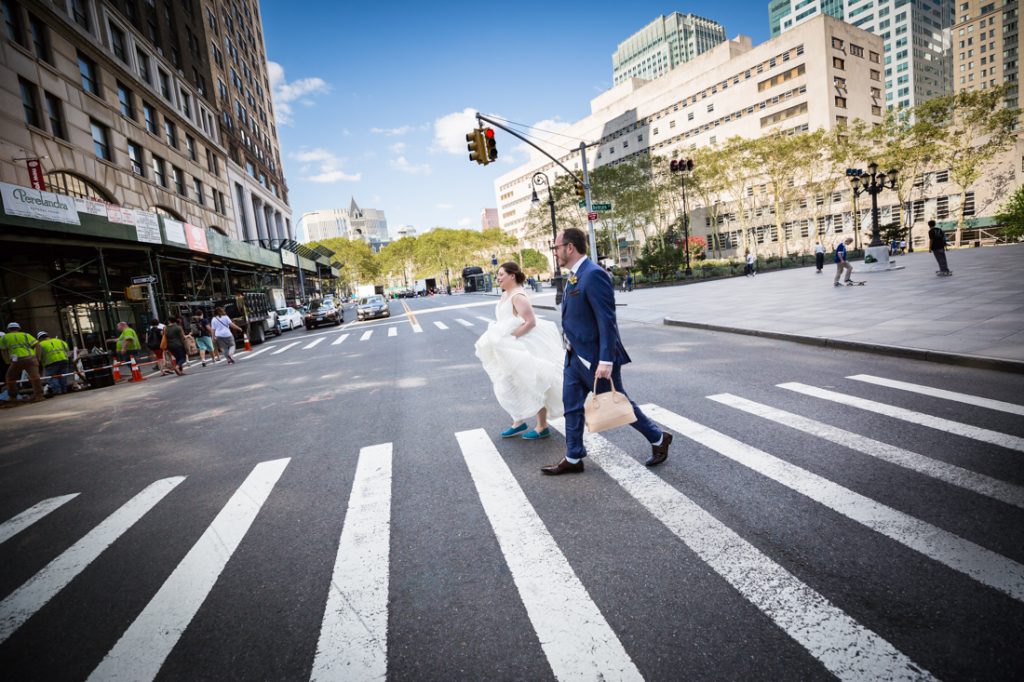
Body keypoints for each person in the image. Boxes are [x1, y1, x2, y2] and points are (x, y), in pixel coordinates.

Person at [542, 228, 672, 475]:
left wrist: (605, 359)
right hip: (573, 356)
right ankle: (573, 456)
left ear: (570, 247)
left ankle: (658, 438)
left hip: (594, 359)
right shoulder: (574, 276)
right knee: (571, 406)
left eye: (556, 247)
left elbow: (607, 321)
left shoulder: (594, 275)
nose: (555, 252)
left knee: (619, 404)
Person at [475, 261, 564, 441]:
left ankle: (542, 426)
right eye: (497, 275)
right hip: (509, 346)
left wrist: (512, 337)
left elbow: (530, 322)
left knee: (532, 382)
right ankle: (518, 420)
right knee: (509, 381)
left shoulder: (518, 296)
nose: (498, 278)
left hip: (523, 344)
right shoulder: (506, 295)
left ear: (512, 276)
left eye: (501, 274)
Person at [0, 322, 44, 406]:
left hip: (17, 360)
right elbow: (37, 345)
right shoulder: (25, 335)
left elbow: (4, 351)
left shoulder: (4, 337)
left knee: (10, 378)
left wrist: (7, 361)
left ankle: (13, 397)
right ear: (19, 328)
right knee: (35, 377)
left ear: (8, 329)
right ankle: (39, 395)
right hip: (30, 358)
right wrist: (38, 357)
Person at [37, 331, 70, 396]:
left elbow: (38, 356)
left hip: (50, 363)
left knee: (52, 377)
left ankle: (58, 391)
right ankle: (64, 390)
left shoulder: (40, 344)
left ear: (40, 338)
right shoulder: (59, 341)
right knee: (63, 376)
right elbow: (67, 349)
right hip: (63, 360)